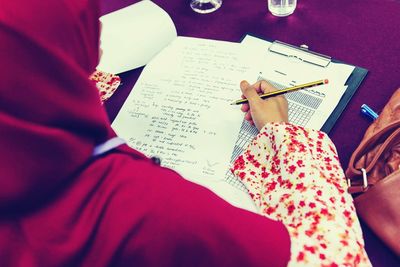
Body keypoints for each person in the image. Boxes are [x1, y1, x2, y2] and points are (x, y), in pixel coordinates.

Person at [0, 0, 371, 266]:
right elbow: (335, 257)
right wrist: (284, 135)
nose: (99, 27)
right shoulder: (136, 208)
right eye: (88, 16)